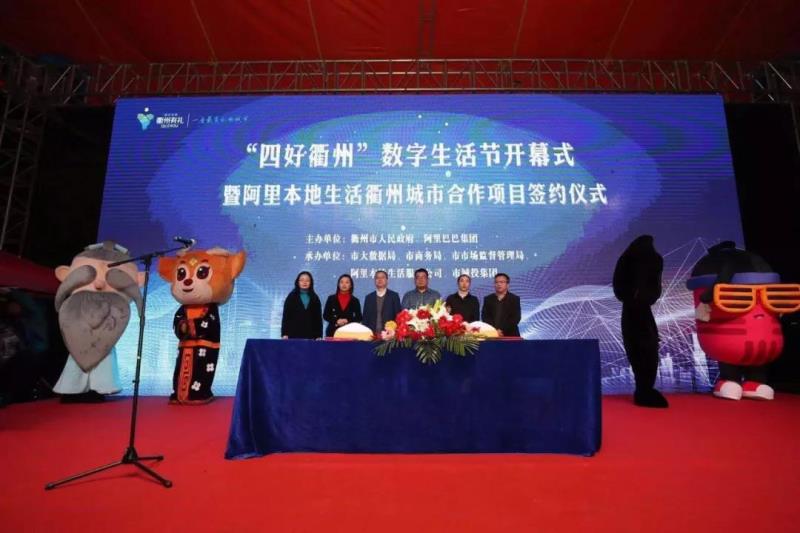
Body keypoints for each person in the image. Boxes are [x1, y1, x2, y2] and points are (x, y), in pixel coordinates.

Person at [53, 241, 144, 402]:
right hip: (79, 333)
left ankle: (99, 387)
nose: (100, 284)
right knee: (76, 356)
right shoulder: (75, 306)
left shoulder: (115, 310)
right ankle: (72, 388)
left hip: (106, 335)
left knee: (104, 357)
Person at [613, 235, 668, 408]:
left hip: (631, 310)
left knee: (637, 348)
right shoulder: (652, 258)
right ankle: (644, 390)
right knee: (646, 347)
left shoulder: (626, 257)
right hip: (641, 310)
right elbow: (653, 289)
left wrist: (631, 296)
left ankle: (643, 389)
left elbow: (619, 286)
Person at [281, 271, 323, 339]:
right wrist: (284, 333)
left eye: (307, 280)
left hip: (311, 335)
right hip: (293, 334)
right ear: (297, 282)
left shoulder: (315, 298)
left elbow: (318, 319)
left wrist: (319, 335)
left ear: (311, 283)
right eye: (302, 280)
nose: (304, 282)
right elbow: (286, 316)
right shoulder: (291, 297)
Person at [362, 270, 402, 335]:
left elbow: (398, 316)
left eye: (382, 277)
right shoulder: (369, 297)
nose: (380, 280)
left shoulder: (394, 296)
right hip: (372, 335)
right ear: (374, 281)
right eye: (377, 278)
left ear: (387, 280)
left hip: (389, 334)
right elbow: (365, 318)